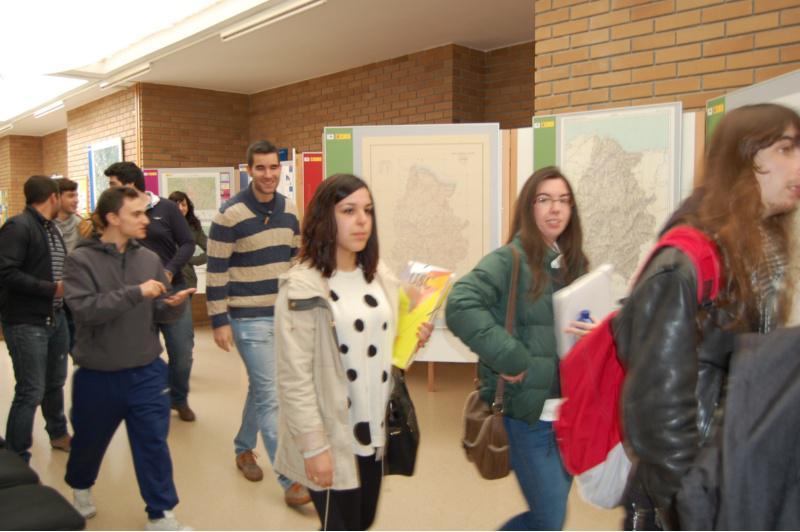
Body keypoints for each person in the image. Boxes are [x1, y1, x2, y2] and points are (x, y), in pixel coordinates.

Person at [614, 102, 800, 530]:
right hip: (692, 494)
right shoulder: (687, 260)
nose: (797, 164)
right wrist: (690, 501)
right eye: (786, 149)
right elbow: (654, 410)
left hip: (733, 470)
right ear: (746, 157)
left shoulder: (758, 246)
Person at [274, 173, 433, 530]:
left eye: (368, 210)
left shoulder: (378, 275)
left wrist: (412, 338)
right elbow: (293, 378)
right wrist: (314, 449)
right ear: (325, 218)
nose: (362, 220)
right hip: (332, 434)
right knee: (341, 525)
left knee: (362, 522)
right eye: (349, 210)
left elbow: (385, 350)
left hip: (374, 429)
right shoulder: (301, 288)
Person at [446, 166, 589, 531]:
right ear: (529, 207)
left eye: (563, 201)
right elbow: (460, 304)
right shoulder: (509, 259)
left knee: (551, 516)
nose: (555, 209)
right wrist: (509, 356)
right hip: (529, 413)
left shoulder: (573, 264)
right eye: (544, 200)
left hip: (569, 413)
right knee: (548, 518)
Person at [63, 186, 195, 530]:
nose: (146, 221)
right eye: (136, 214)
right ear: (112, 218)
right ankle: (80, 487)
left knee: (153, 442)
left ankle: (161, 513)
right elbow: (85, 310)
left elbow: (154, 311)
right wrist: (136, 292)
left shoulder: (149, 259)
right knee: (89, 442)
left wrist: (171, 306)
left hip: (147, 371)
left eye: (145, 213)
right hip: (98, 373)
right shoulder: (80, 260)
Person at [206, 140, 310, 506]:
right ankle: (291, 480)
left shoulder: (290, 208)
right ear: (249, 170)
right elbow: (216, 271)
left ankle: (242, 448)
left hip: (282, 314)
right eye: (261, 168)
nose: (269, 175)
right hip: (247, 317)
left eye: (274, 168)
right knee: (271, 395)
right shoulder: (229, 214)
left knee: (262, 387)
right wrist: (219, 320)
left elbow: (295, 259)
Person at [104, 162, 197, 422]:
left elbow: (188, 243)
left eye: (113, 184)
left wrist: (168, 270)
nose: (110, 190)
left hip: (172, 290)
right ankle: (148, 401)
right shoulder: (117, 214)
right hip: (136, 295)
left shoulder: (166, 208)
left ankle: (179, 398)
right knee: (141, 354)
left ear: (130, 183)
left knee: (181, 354)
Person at [0, 175, 71, 461]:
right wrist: (51, 288)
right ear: (53, 197)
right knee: (31, 390)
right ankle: (16, 456)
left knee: (55, 382)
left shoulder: (50, 228)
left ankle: (58, 433)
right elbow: (6, 273)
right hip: (26, 322)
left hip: (55, 317)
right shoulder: (18, 227)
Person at [168, 191, 207, 291]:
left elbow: (212, 250)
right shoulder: (164, 226)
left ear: (188, 206)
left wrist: (191, 260)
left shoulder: (194, 227)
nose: (181, 208)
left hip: (187, 280)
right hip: (167, 279)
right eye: (176, 205)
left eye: (184, 205)